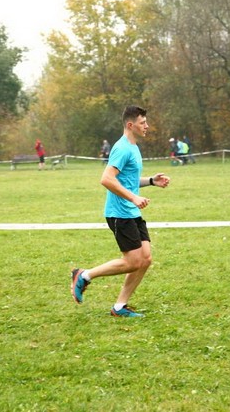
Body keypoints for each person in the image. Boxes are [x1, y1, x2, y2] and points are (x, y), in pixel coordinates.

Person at [71, 106, 170, 318]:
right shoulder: (122, 148)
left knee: (145, 259)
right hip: (119, 214)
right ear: (130, 125)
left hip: (131, 213)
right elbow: (106, 179)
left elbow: (128, 181)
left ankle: (119, 307)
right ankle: (84, 275)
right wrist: (133, 198)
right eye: (143, 123)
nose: (147, 126)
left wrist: (151, 181)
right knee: (133, 261)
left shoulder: (133, 147)